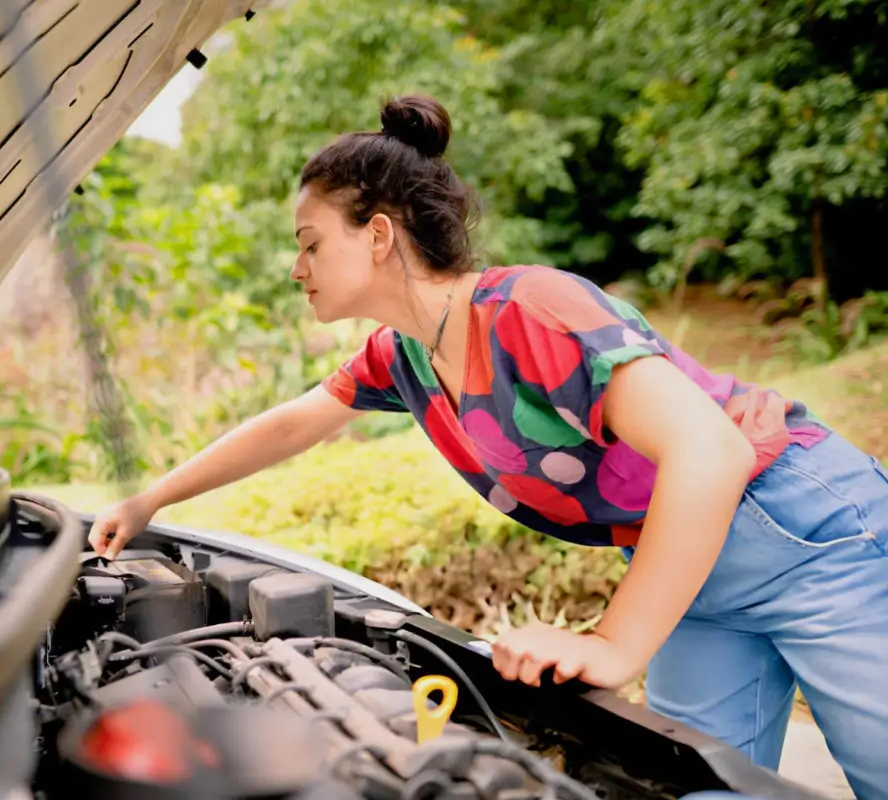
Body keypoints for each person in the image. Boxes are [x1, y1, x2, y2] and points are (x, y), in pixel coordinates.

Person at [87, 94, 888, 799]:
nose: (297, 269)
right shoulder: (404, 357)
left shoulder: (531, 311)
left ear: (377, 235)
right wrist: (151, 498)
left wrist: (612, 643)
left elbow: (712, 451)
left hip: (802, 524)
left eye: (310, 243)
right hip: (689, 565)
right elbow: (294, 423)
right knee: (697, 788)